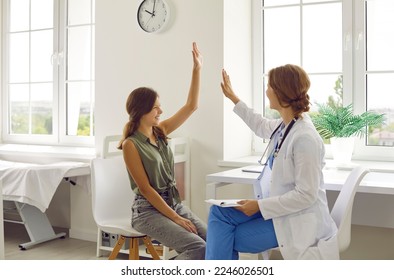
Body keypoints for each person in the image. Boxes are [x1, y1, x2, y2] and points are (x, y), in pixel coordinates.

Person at [205, 64, 339, 260]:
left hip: (298, 219)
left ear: (281, 92)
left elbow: (306, 195)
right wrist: (233, 97)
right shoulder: (285, 126)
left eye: (269, 86)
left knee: (225, 238)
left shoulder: (305, 138)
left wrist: (259, 206)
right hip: (277, 209)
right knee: (219, 213)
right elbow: (259, 125)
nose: (266, 91)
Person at [118, 42, 207, 260]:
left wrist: (197, 70)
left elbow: (191, 106)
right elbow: (146, 190)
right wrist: (176, 218)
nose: (161, 111)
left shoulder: (161, 130)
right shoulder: (131, 145)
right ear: (142, 110)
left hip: (172, 204)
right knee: (199, 248)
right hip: (146, 211)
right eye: (156, 107)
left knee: (217, 241)